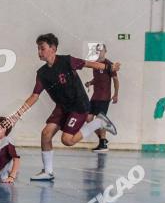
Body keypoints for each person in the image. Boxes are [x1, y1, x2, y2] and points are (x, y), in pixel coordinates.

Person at [11, 33, 119, 181]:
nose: (39, 52)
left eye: (42, 48)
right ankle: (48, 172)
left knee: (67, 140)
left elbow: (89, 63)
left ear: (53, 48)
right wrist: (18, 114)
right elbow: (34, 96)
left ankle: (99, 122)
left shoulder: (67, 61)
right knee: (46, 134)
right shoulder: (42, 74)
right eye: (38, 49)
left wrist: (109, 67)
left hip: (78, 105)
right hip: (62, 107)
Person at [84, 43, 119, 152]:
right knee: (88, 118)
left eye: (102, 50)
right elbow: (97, 78)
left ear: (105, 51)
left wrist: (116, 94)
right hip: (95, 96)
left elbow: (116, 80)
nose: (100, 52)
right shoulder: (95, 64)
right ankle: (102, 139)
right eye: (98, 50)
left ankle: (103, 145)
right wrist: (90, 82)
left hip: (104, 97)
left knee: (100, 120)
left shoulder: (110, 65)